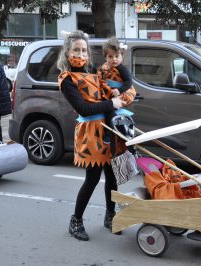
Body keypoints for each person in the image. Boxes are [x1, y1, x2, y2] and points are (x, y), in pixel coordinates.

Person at [57, 30, 135, 241]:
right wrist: (112, 103)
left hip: (109, 129)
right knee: (92, 179)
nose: (81, 54)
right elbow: (83, 108)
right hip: (90, 134)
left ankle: (110, 217)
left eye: (84, 50)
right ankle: (76, 221)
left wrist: (121, 95)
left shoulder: (93, 72)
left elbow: (111, 86)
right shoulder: (66, 79)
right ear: (67, 52)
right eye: (76, 50)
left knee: (112, 176)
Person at [98, 37, 135, 144]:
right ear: (105, 57)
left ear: (122, 56)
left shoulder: (122, 69)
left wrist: (119, 91)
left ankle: (110, 133)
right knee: (106, 111)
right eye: (110, 56)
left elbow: (129, 82)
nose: (114, 59)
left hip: (121, 94)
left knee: (110, 111)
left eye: (117, 56)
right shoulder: (104, 68)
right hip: (108, 93)